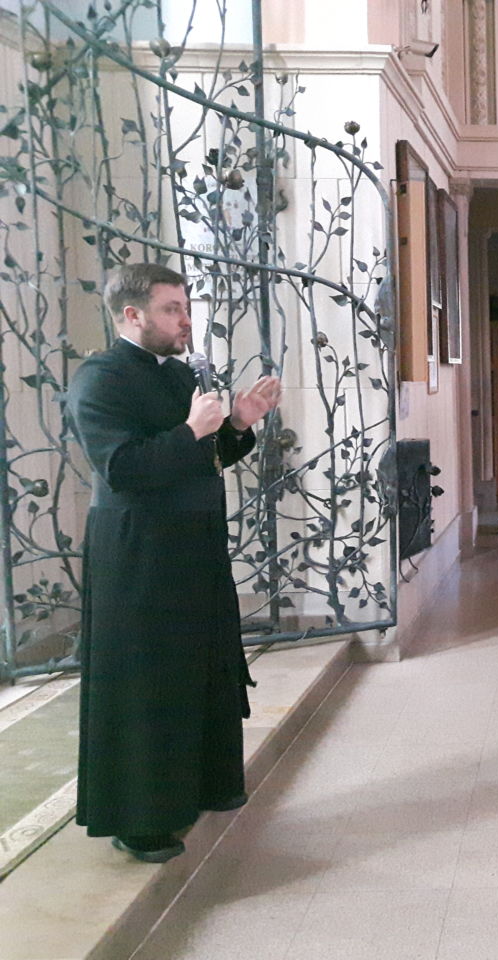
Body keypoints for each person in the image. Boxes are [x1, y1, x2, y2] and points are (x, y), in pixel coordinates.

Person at [66, 263, 282, 863]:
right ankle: (140, 820)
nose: (185, 320)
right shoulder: (99, 379)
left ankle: (205, 783)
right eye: (171, 309)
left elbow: (205, 456)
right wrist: (192, 429)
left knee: (196, 666)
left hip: (193, 544)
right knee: (148, 681)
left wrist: (237, 423)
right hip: (138, 553)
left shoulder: (182, 372)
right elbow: (123, 468)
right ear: (132, 315)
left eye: (186, 307)